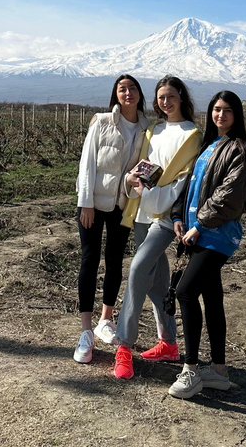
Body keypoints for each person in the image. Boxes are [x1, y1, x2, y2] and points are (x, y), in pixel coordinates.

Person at [167, 90, 246, 398]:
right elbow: (191, 188)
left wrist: (200, 225)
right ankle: (218, 372)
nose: (221, 115)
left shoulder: (239, 150)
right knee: (212, 298)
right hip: (198, 231)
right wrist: (179, 216)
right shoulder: (209, 146)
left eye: (228, 110)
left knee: (185, 292)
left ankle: (191, 369)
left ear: (237, 115)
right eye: (217, 109)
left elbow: (229, 197)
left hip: (216, 234)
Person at [113, 76, 202, 379]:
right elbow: (145, 165)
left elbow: (182, 184)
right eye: (161, 97)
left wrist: (149, 196)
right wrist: (137, 179)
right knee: (157, 283)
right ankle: (169, 343)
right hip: (143, 212)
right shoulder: (154, 129)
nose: (166, 102)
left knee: (138, 269)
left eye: (171, 96)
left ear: (181, 97)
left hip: (166, 218)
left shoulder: (192, 135)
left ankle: (123, 345)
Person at [73, 74, 151, 363]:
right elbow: (87, 163)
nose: (127, 93)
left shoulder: (147, 129)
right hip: (93, 203)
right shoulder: (102, 122)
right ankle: (85, 331)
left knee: (115, 259)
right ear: (115, 95)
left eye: (132, 88)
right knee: (89, 259)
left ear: (140, 94)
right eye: (122, 89)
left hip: (123, 204)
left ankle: (105, 321)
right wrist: (86, 202)